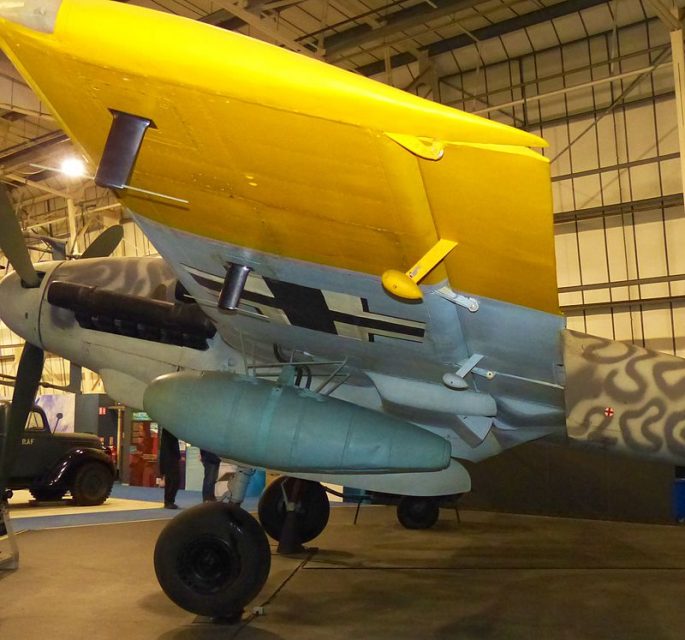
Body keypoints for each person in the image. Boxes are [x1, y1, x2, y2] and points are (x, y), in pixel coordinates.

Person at [159, 429, 181, 509]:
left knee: (171, 480)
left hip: (169, 457)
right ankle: (169, 501)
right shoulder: (169, 431)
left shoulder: (168, 432)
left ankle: (169, 501)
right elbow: (172, 446)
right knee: (173, 480)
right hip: (170, 458)